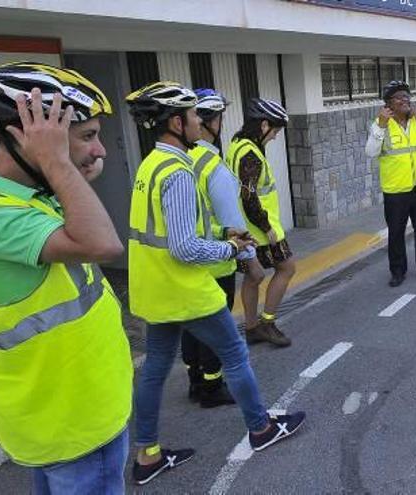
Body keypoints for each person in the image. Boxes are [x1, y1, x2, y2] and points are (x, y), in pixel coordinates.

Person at [126, 81, 305, 485]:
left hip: (155, 290)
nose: (199, 122)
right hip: (186, 289)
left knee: (154, 370)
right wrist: (228, 249)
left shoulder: (149, 165)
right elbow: (185, 247)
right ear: (176, 122)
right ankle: (261, 429)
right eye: (192, 115)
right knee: (236, 354)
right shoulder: (177, 172)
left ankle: (148, 454)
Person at [0, 62, 133, 494]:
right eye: (87, 136)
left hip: (60, 418)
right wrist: (57, 161)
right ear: (27, 140)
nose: (101, 151)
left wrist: (61, 165)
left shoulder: (21, 193)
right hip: (74, 425)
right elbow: (103, 244)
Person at [180, 88, 260, 407]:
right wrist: (250, 258)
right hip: (216, 260)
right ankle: (213, 388)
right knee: (215, 326)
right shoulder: (214, 166)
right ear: (213, 122)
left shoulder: (182, 159)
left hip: (189, 259)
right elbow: (231, 219)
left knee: (191, 325)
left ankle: (195, 381)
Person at [227, 98, 295, 347]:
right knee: (287, 268)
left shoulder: (237, 145)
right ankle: (266, 323)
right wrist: (267, 228)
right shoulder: (250, 155)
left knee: (253, 277)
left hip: (244, 228)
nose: (275, 137)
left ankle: (253, 328)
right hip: (260, 229)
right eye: (275, 130)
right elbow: (249, 198)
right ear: (264, 125)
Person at [365, 80, 416, 287]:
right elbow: (371, 152)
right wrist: (381, 126)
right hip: (396, 192)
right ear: (388, 104)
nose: (405, 100)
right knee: (396, 233)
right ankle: (398, 271)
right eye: (399, 97)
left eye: (407, 96)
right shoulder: (380, 125)